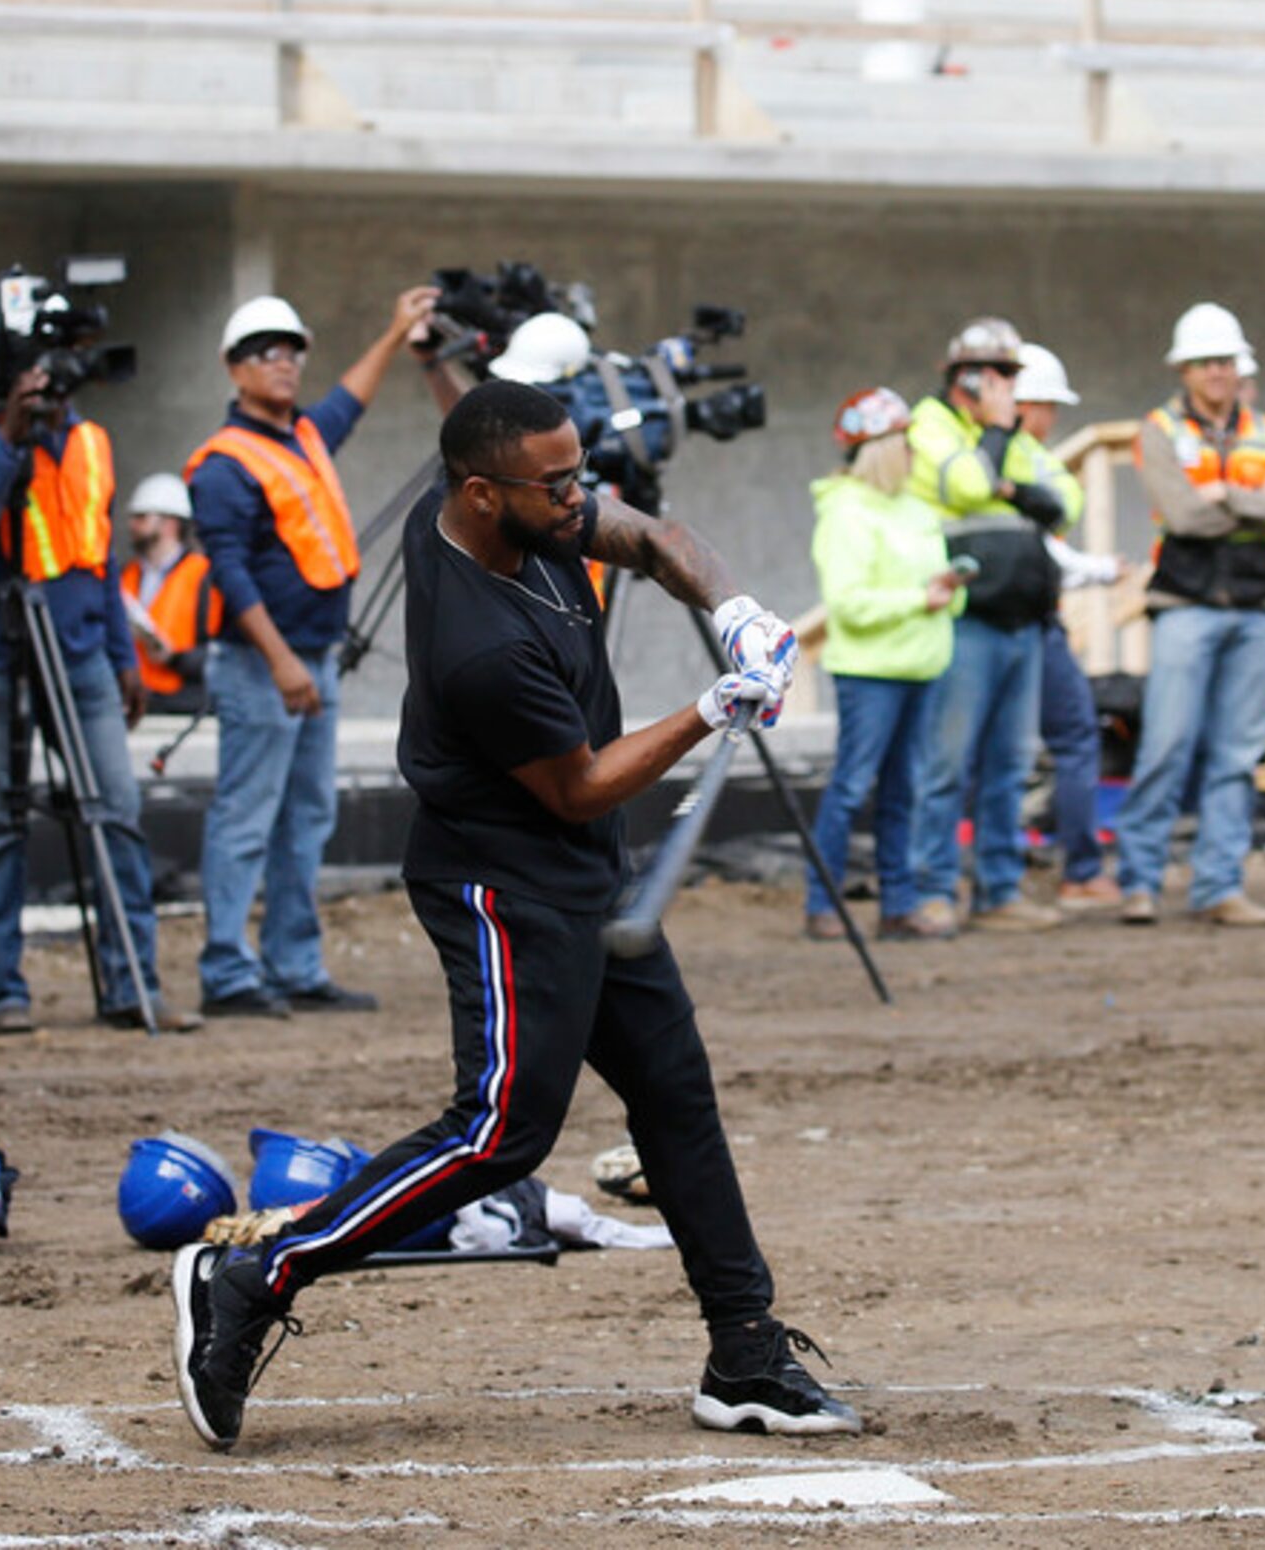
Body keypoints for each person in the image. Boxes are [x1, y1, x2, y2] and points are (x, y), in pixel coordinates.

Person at [171, 379, 859, 1451]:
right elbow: (581, 785)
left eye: (576, 470)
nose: (579, 497)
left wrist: (735, 611)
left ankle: (744, 1351)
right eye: (558, 483)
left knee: (674, 1095)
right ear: (484, 495)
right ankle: (257, 1273)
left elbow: (653, 533)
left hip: (586, 874)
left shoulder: (508, 508)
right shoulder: (478, 645)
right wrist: (708, 709)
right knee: (499, 1132)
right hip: (501, 886)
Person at [184, 287, 448, 1019]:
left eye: (292, 351)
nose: (285, 364)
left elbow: (349, 401)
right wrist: (280, 661)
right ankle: (229, 973)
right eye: (266, 353)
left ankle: (294, 964)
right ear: (234, 371)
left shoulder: (299, 437)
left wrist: (396, 333)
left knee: (306, 817)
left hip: (312, 659)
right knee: (247, 816)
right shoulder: (222, 464)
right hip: (264, 665)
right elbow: (229, 572)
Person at [0, 314, 196, 1036]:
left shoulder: (90, 440)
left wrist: (123, 656)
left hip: (84, 649)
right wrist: (13, 439)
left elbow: (96, 555)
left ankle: (133, 988)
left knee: (116, 810)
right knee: (0, 821)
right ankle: (2, 994)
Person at [1114, 302, 1265, 928]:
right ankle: (1139, 881)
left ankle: (1220, 884)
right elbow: (1185, 515)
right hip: (1185, 609)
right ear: (1184, 370)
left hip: (1253, 610)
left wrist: (1228, 496)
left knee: (1237, 754)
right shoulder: (1160, 429)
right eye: (1205, 363)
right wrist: (1254, 504)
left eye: (1224, 361)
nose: (1217, 373)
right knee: (1166, 746)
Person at [903, 318, 1080, 936]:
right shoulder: (931, 424)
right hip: (966, 621)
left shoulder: (1011, 438)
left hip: (1023, 623)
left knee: (1009, 764)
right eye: (1000, 375)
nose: (1009, 387)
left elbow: (1065, 504)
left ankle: (999, 890)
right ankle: (932, 889)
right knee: (947, 764)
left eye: (1012, 375)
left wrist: (1009, 477)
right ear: (967, 379)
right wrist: (1003, 457)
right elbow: (968, 483)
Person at [806, 387, 960, 941]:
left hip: (921, 668)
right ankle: (823, 904)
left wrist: (944, 592)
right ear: (880, 447)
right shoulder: (846, 511)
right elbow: (848, 603)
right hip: (870, 674)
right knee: (851, 788)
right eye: (905, 441)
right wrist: (922, 599)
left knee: (904, 791)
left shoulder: (916, 508)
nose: (915, 452)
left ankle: (899, 904)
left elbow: (936, 585)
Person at [1011, 344, 1118, 911]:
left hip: (1009, 618)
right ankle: (1079, 868)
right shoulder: (1024, 463)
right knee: (1075, 737)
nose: (1053, 418)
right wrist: (1103, 570)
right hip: (1030, 619)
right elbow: (1046, 551)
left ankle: (996, 877)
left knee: (997, 752)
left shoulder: (981, 458)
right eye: (1048, 404)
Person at [120, 473, 221, 716]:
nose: (132, 525)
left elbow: (219, 653)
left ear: (170, 524)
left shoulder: (204, 575)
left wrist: (174, 658)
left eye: (141, 518)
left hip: (183, 703)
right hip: (137, 699)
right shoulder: (128, 574)